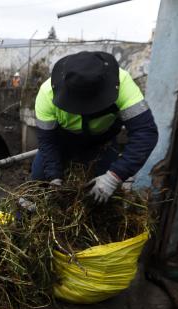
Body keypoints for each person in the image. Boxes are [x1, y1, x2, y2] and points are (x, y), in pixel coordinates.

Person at [32, 51, 158, 203]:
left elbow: (145, 132)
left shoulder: (122, 83)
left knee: (100, 200)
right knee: (38, 184)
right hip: (61, 143)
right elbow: (47, 141)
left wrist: (114, 176)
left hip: (102, 144)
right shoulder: (47, 94)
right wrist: (53, 177)